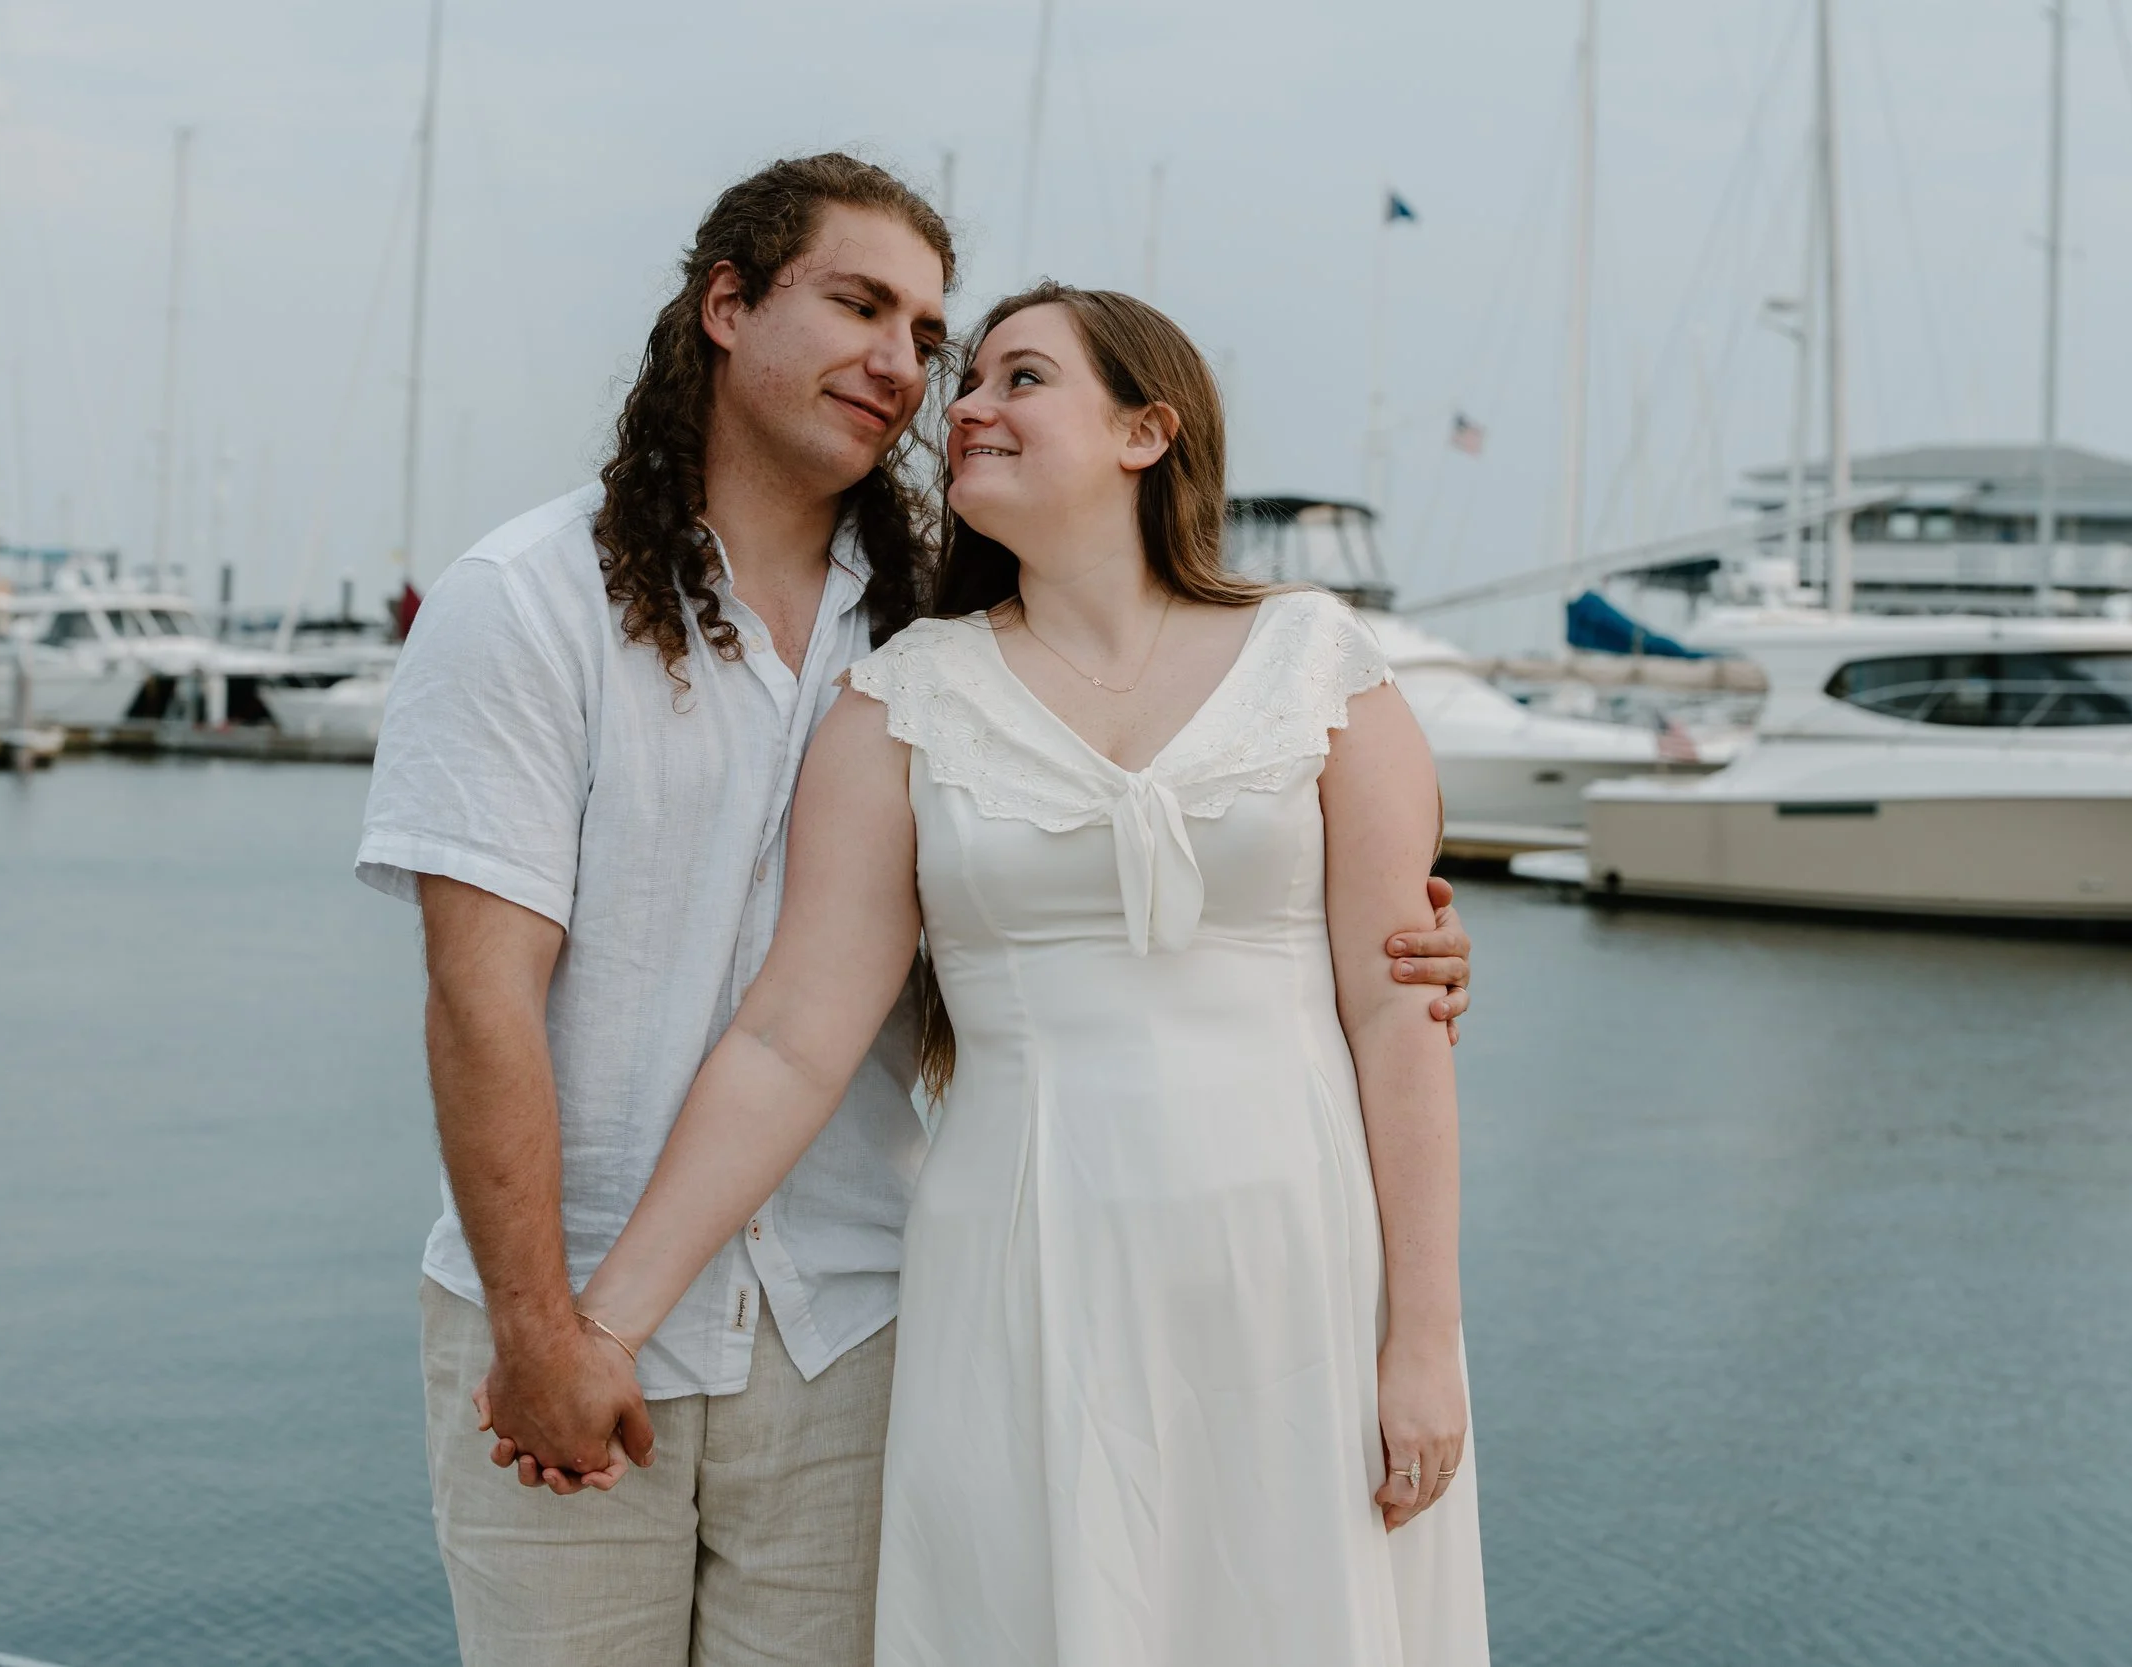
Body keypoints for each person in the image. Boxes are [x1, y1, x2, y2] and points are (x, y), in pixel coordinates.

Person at [357, 156, 1473, 1667]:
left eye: (948, 343)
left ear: (1150, 432)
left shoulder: (999, 630)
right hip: (852, 1279)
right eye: (865, 308)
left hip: (960, 1305)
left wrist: (1423, 1325)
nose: (925, 379)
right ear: (728, 308)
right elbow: (682, 1020)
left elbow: (1382, 995)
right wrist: (567, 1325)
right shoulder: (591, 615)